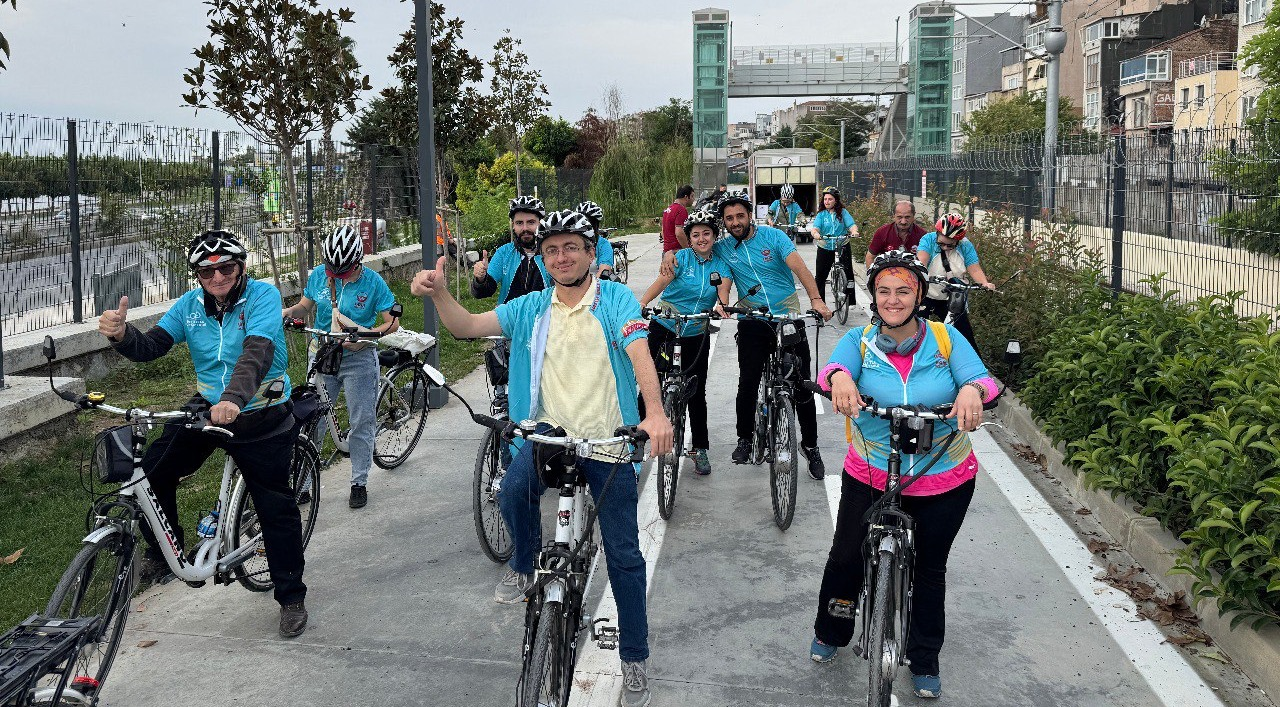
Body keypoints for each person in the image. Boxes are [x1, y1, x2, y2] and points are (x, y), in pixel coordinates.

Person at [410, 209, 673, 707]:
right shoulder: (532, 307)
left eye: (571, 246)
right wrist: (441, 292)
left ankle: (634, 659)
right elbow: (466, 326)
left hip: (609, 443)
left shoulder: (614, 298)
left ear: (591, 253)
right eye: (552, 249)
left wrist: (654, 413)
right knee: (510, 491)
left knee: (623, 555)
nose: (561, 256)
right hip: (548, 436)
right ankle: (525, 566)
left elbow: (638, 348)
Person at [96, 230, 309, 638]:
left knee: (274, 507)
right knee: (151, 470)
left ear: (241, 268)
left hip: (260, 411)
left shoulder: (261, 297)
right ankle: (166, 551)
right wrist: (123, 336)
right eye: (206, 272)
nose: (217, 278)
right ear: (196, 275)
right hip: (210, 407)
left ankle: (291, 596)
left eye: (226, 268)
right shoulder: (190, 305)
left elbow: (258, 352)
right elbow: (153, 345)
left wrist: (233, 399)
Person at [808, 250, 998, 699]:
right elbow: (831, 371)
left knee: (931, 570)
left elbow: (983, 380)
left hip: (944, 475)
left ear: (918, 295)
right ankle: (832, 631)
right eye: (883, 292)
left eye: (904, 291)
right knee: (847, 559)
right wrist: (839, 382)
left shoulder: (946, 338)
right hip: (872, 472)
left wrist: (971, 392)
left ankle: (925, 657)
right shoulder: (858, 342)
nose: (893, 300)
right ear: (873, 297)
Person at [663, 193, 832, 479]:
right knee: (748, 382)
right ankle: (745, 439)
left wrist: (816, 299)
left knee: (801, 383)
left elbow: (799, 268)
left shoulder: (774, 237)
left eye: (739, 216)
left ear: (749, 215)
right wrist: (721, 299)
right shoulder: (724, 247)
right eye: (729, 218)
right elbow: (702, 257)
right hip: (751, 317)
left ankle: (811, 446)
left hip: (786, 314)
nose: (735, 222)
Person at [282, 225, 400, 509]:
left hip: (358, 360)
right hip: (322, 354)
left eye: (342, 270)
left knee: (361, 420)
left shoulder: (373, 283)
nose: (335, 275)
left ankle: (359, 481)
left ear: (357, 262)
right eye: (331, 268)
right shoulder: (321, 276)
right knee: (312, 419)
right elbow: (304, 306)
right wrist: (287, 313)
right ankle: (303, 483)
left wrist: (367, 336)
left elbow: (392, 322)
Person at [638, 209, 733, 476]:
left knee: (696, 391)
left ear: (715, 236)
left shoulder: (721, 265)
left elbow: (723, 291)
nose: (701, 239)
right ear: (688, 239)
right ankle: (638, 435)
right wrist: (643, 304)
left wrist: (721, 306)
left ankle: (700, 448)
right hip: (666, 325)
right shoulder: (679, 258)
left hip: (695, 331)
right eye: (695, 235)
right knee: (651, 380)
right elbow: (661, 282)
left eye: (706, 234)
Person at [915, 214, 995, 354]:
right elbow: (921, 262)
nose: (945, 247)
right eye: (941, 244)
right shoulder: (928, 239)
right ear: (937, 234)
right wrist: (919, 276)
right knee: (916, 331)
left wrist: (984, 283)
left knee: (964, 335)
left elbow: (974, 268)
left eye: (950, 245)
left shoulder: (965, 245)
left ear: (958, 241)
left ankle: (973, 365)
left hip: (953, 296)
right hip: (928, 292)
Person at [470, 195, 552, 304]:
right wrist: (481, 279)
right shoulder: (504, 253)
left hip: (544, 318)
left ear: (540, 224)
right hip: (508, 317)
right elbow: (484, 292)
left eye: (531, 222)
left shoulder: (552, 253)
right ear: (513, 225)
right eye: (519, 223)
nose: (525, 228)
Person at [808, 186, 859, 303]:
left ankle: (851, 301)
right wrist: (816, 234)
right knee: (820, 277)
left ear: (836, 200)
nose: (827, 202)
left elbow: (851, 225)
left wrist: (854, 231)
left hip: (842, 245)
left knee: (848, 273)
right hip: (825, 246)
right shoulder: (821, 215)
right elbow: (815, 228)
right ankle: (820, 304)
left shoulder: (843, 212)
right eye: (825, 199)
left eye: (830, 199)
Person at [866, 199, 927, 270]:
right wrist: (872, 277)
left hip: (912, 276)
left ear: (913, 216)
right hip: (887, 275)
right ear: (893, 216)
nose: (903, 222)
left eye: (907, 217)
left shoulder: (923, 235)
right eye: (899, 217)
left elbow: (926, 263)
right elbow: (870, 257)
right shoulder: (882, 232)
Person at [575, 199, 616, 279]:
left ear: (595, 225)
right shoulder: (571, 242)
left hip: (595, 286)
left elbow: (604, 271)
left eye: (588, 223)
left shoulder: (603, 244)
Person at [661, 185, 695, 252]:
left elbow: (663, 232)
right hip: (677, 252)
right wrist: (688, 250)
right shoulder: (681, 210)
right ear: (686, 197)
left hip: (667, 252)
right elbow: (679, 233)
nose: (693, 199)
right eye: (692, 196)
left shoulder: (668, 209)